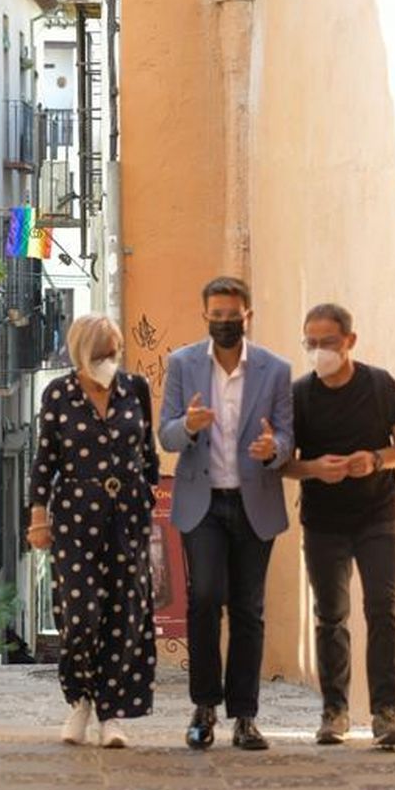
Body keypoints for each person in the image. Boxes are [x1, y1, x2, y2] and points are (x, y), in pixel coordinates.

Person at [159, 276, 294, 751]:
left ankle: (245, 716)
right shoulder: (182, 364)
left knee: (248, 609)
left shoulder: (276, 370)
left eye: (231, 316)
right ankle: (203, 708)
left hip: (254, 502)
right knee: (204, 600)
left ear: (247, 315)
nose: (224, 323)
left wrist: (271, 448)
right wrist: (189, 427)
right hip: (203, 504)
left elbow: (286, 438)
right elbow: (166, 436)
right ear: (205, 317)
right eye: (215, 316)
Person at [282, 303, 395, 748]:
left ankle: (385, 713)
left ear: (350, 342)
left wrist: (376, 460)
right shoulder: (299, 395)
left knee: (382, 607)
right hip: (323, 521)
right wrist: (316, 468)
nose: (320, 352)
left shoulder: (379, 385)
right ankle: (334, 712)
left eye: (329, 343)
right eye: (312, 343)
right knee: (330, 615)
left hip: (378, 514)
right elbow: (283, 464)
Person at [27, 314, 160, 749]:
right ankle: (79, 699)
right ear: (82, 352)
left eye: (115, 352)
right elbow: (45, 461)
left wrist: (149, 495)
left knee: (126, 612)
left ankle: (113, 713)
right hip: (75, 516)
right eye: (102, 354)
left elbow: (148, 453)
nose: (110, 361)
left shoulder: (135, 389)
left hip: (128, 515)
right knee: (81, 613)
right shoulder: (59, 394)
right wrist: (38, 518)